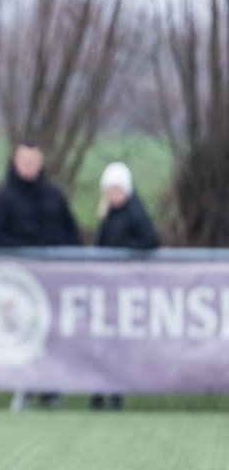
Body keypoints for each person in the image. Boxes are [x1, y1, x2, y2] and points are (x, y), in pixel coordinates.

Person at [0, 141, 79, 408]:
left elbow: (72, 235)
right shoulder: (4, 199)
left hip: (54, 283)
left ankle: (50, 388)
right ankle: (24, 386)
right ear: (15, 162)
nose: (30, 167)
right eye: (25, 161)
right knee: (24, 334)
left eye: (35, 161)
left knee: (53, 334)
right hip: (20, 285)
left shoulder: (53, 196)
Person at [92, 161, 159, 411]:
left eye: (117, 189)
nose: (113, 194)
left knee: (117, 343)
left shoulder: (134, 212)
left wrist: (125, 254)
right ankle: (99, 391)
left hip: (124, 287)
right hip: (106, 287)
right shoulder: (108, 212)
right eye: (109, 189)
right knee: (102, 341)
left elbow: (150, 241)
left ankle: (115, 392)